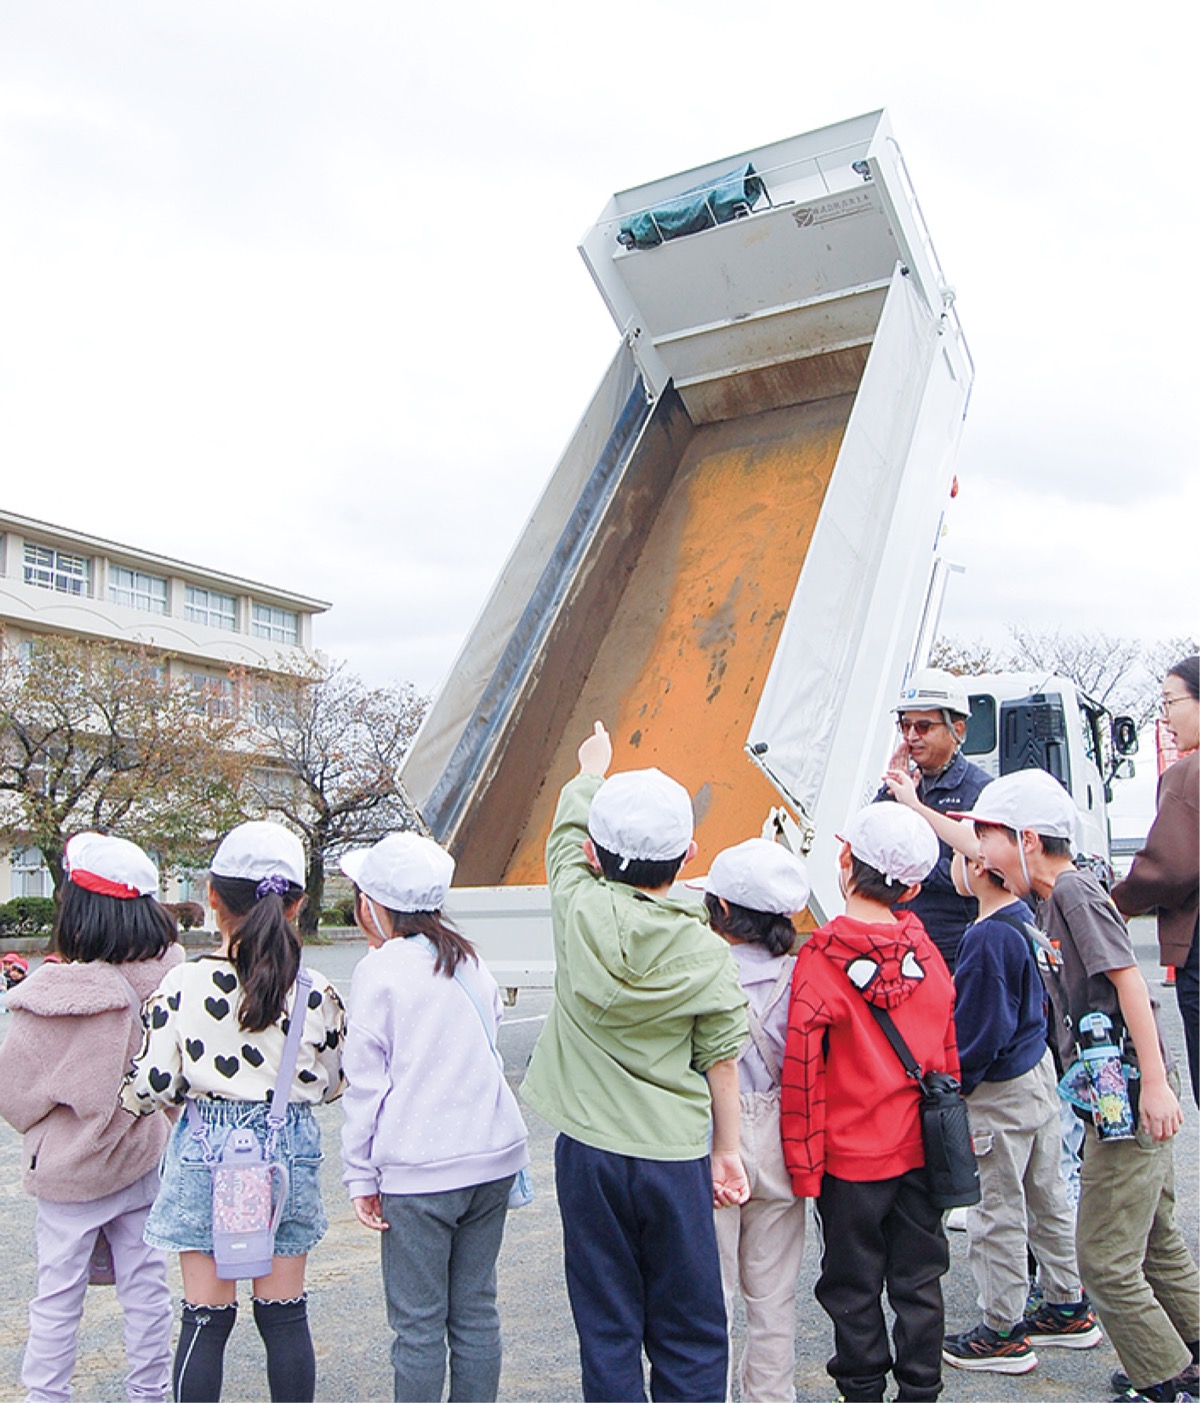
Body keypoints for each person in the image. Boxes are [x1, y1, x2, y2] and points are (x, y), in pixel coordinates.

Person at [521, 721, 750, 1403]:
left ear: (595, 852)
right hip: (672, 1154)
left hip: (587, 1153)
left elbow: (562, 844)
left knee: (608, 1322)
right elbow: (722, 1059)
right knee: (690, 1326)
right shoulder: (707, 950)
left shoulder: (578, 905)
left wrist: (591, 769)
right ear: (689, 855)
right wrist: (727, 1151)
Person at [962, 769, 1199, 1403]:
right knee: (1152, 1240)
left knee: (1103, 1257)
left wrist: (1154, 1083)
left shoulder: (1073, 895)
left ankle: (1167, 1380)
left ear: (1029, 838)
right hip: (1110, 1091)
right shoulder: (1046, 895)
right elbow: (966, 849)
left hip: (1126, 1093)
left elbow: (1129, 983)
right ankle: (1193, 1355)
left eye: (988, 840)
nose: (980, 856)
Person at [121, 821, 346, 1403]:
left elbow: (154, 1082)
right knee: (284, 1316)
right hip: (285, 1149)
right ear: (295, 906)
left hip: (205, 1149)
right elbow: (329, 1084)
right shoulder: (314, 990)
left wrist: (134, 1101)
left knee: (204, 1317)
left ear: (213, 898)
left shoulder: (181, 984)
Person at [339, 831, 530, 1403]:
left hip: (420, 1173)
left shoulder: (379, 971)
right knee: (476, 1312)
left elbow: (365, 1087)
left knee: (418, 1326)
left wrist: (360, 1176)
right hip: (491, 1160)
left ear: (374, 905)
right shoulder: (467, 958)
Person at [0, 832, 184, 1403]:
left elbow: (14, 1095)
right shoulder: (169, 981)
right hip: (141, 1160)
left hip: (70, 1173)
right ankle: (150, 1392)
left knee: (57, 1295)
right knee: (147, 1288)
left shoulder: (53, 999)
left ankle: (46, 1395)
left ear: (78, 913)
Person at [782, 803, 956, 1403]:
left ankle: (860, 1390)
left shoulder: (819, 960)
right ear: (911, 886)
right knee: (920, 1280)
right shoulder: (927, 954)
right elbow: (946, 1057)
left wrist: (803, 1169)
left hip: (849, 1160)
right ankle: (921, 1391)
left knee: (851, 1286)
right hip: (921, 1150)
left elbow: (802, 1074)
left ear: (844, 860)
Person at [940, 845, 1101, 1375]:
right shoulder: (1023, 918)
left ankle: (1001, 1329)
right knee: (1047, 1194)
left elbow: (981, 1031)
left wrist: (956, 1079)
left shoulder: (985, 937)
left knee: (996, 1210)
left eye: (962, 858)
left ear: (983, 871)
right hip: (1036, 1075)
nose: (955, 867)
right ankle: (1066, 1303)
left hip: (999, 1091)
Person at [699, 837, 812, 1403]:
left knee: (709, 1294)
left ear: (719, 909)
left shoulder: (702, 969)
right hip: (784, 1132)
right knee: (773, 1296)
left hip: (713, 1134)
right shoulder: (802, 975)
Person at [1113, 653, 1199, 1105]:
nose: (1164, 718)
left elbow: (1169, 867)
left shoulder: (1190, 774)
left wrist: (1118, 902)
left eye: (1169, 702)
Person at [877, 667, 991, 971]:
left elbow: (975, 873)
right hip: (898, 947)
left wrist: (908, 868)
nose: (911, 737)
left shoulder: (980, 791)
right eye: (905, 725)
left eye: (924, 726)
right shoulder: (903, 786)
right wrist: (890, 793)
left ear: (958, 730)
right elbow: (868, 850)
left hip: (952, 951)